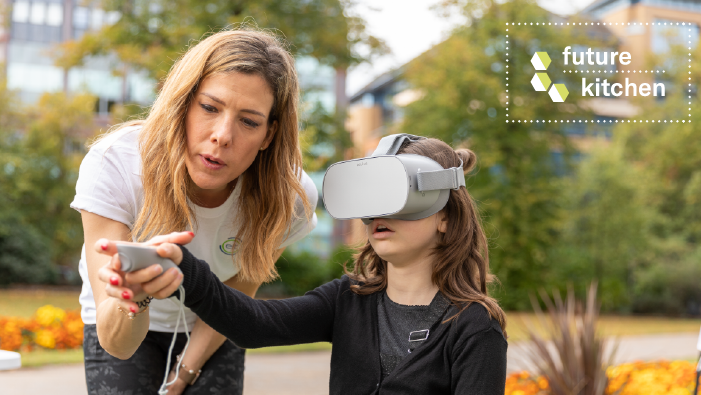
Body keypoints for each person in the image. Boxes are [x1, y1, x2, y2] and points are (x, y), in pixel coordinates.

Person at [97, 137, 509, 394]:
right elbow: (254, 322)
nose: (380, 212)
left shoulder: (475, 327)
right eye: (372, 196)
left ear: (445, 216)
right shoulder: (349, 300)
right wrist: (183, 268)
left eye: (398, 194)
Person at [70, 28, 318, 395]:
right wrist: (135, 294)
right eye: (209, 107)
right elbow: (116, 343)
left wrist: (183, 374)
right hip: (120, 320)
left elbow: (239, 291)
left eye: (248, 121)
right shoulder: (115, 163)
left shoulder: (290, 196)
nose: (222, 135)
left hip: (216, 320)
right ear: (183, 103)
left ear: (269, 135)